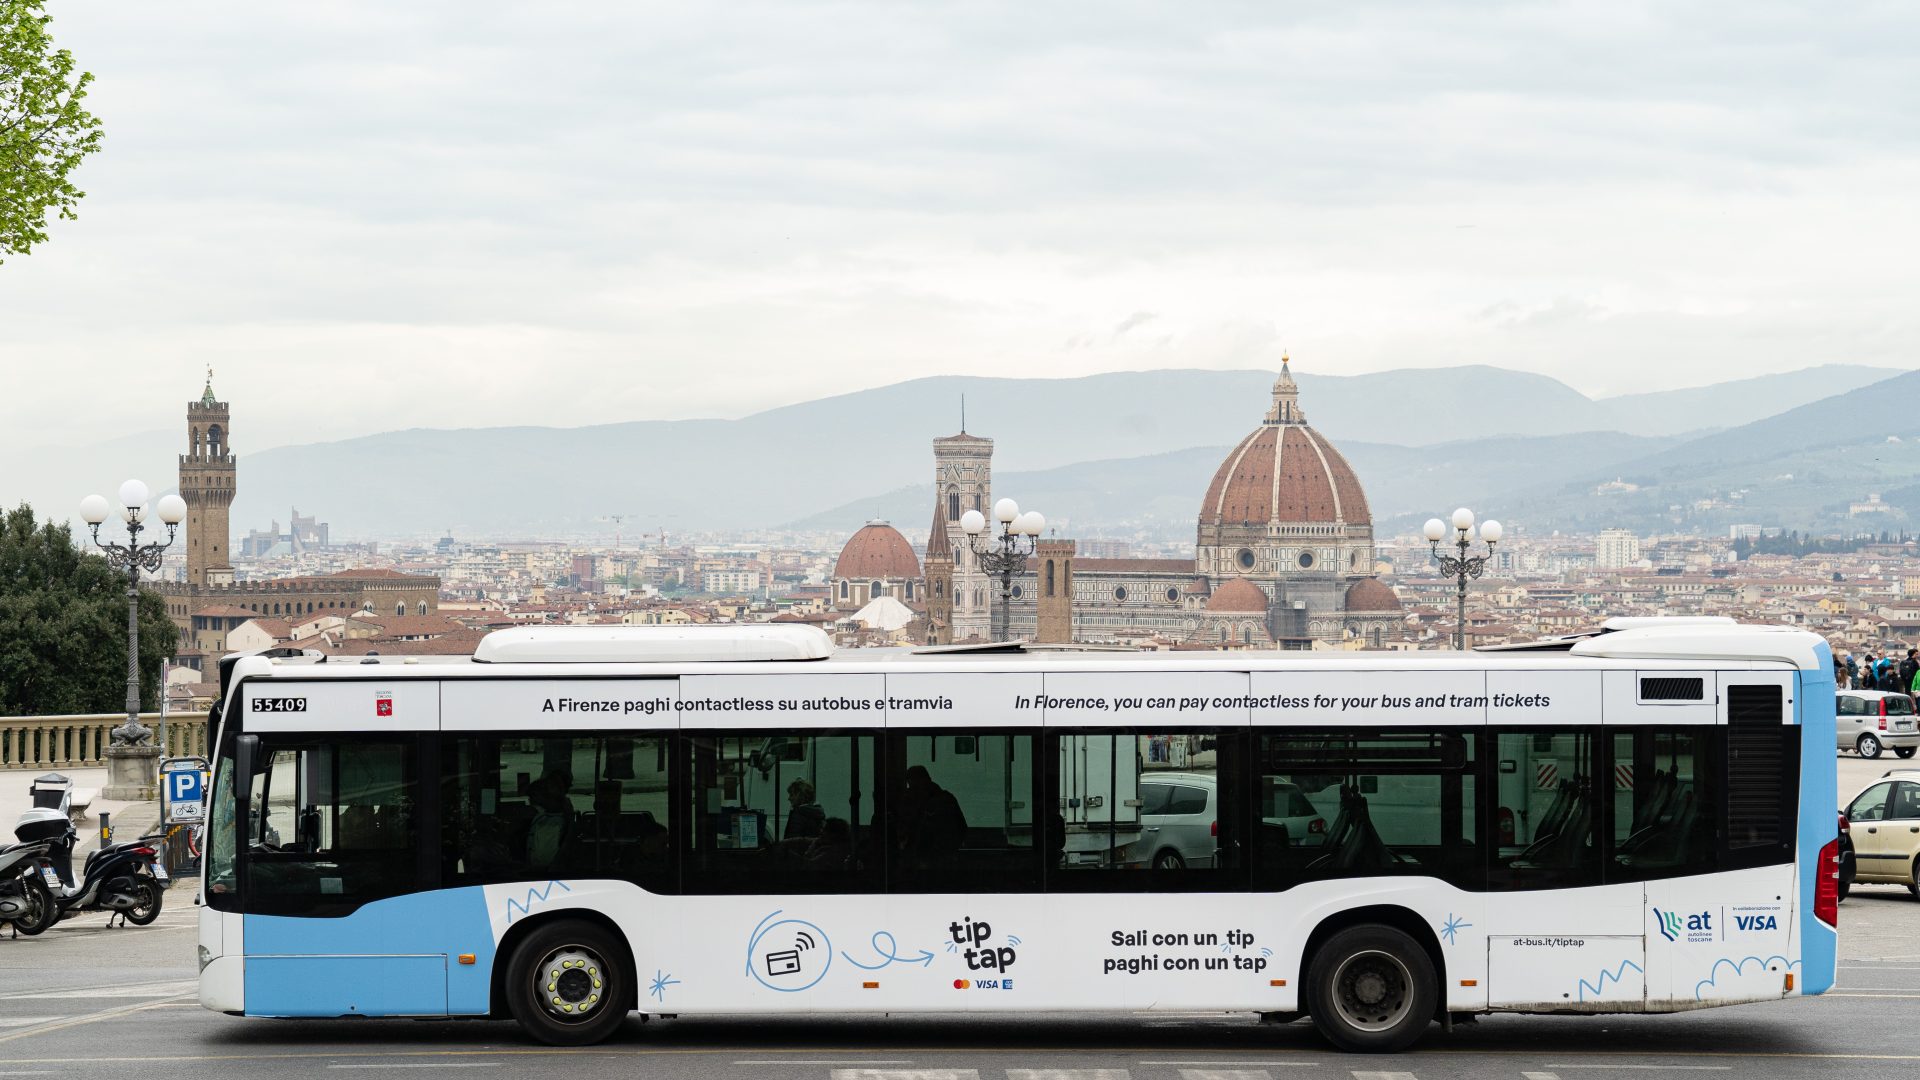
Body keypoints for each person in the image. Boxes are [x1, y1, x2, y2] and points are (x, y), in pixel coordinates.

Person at [896, 765, 967, 863]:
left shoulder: (915, 802)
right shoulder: (946, 799)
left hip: (926, 857)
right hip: (944, 857)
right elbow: (961, 829)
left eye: (912, 785)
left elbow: (908, 828)